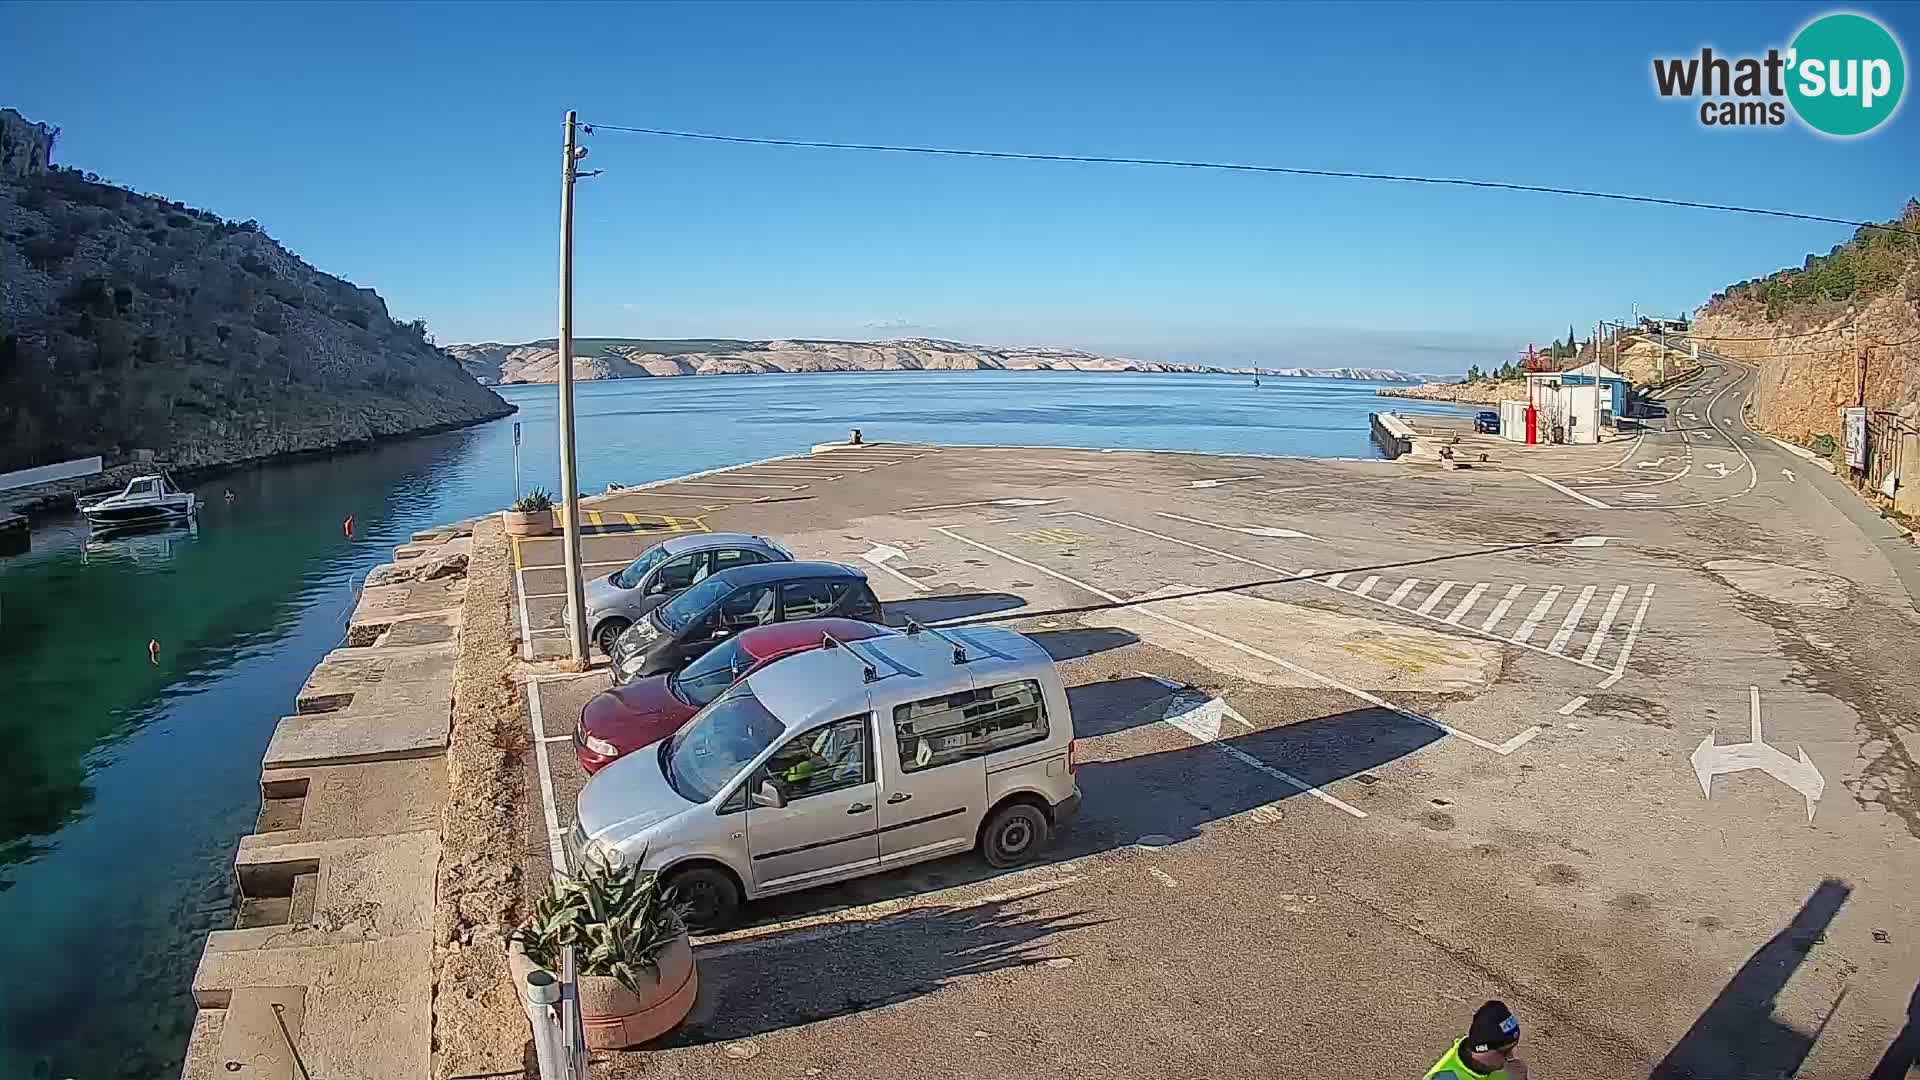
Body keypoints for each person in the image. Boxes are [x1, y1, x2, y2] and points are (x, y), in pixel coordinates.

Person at [1424, 1000, 1528, 1080]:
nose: (1511, 1057)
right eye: (1504, 1052)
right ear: (1482, 1049)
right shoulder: (1445, 1077)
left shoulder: (1498, 1067)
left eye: (1512, 1048)